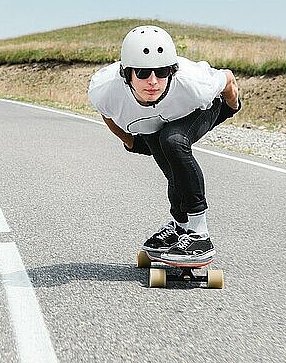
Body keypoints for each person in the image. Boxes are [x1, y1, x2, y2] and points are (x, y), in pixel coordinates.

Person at [88, 25, 241, 264]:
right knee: (171, 168)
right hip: (154, 121)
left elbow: (228, 79)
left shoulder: (195, 84)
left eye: (161, 72)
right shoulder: (104, 89)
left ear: (171, 71)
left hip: (204, 108)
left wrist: (232, 107)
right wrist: (130, 141)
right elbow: (106, 113)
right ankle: (181, 228)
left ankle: (200, 234)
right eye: (143, 73)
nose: (153, 81)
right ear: (126, 73)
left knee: (173, 142)